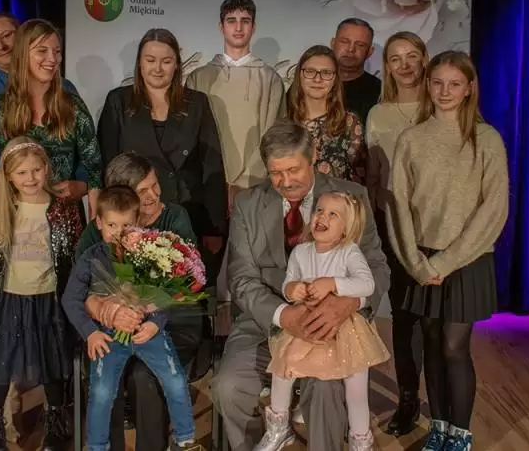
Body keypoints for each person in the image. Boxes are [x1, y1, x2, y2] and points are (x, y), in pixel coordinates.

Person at [211, 120, 391, 451]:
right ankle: (267, 437)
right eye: (275, 173)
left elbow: (377, 267)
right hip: (264, 322)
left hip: (331, 325)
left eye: (293, 170)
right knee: (227, 388)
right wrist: (283, 315)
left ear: (313, 156)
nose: (285, 181)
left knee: (324, 388)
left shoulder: (351, 197)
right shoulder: (249, 204)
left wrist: (348, 303)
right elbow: (242, 278)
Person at [0, 11, 87, 427]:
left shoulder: (64, 90)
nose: (1, 46)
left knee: (53, 300)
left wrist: (76, 188)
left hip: (50, 216)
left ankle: (62, 390)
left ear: (21, 38)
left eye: (7, 36)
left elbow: (82, 156)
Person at [388, 51, 509, 451]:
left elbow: (494, 208)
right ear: (427, 84)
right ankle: (439, 428)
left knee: (454, 346)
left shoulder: (486, 139)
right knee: (431, 342)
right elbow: (398, 205)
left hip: (467, 258)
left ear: (469, 88)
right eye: (438, 82)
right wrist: (416, 263)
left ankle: (460, 434)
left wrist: (446, 261)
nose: (445, 91)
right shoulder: (411, 139)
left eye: (454, 84)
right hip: (423, 260)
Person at [78, 152, 209, 451]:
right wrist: (105, 310)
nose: (154, 195)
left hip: (172, 321)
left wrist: (150, 314)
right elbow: (81, 288)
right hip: (111, 326)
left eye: (155, 184)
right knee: (104, 373)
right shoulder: (99, 228)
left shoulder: (174, 217)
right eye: (143, 190)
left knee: (144, 376)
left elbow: (187, 281)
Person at [255, 191, 390, 451]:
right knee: (284, 370)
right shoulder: (300, 252)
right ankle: (278, 427)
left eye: (333, 214)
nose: (322, 217)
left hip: (344, 328)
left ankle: (361, 440)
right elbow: (288, 282)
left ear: (345, 228)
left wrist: (333, 284)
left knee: (355, 388)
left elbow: (367, 284)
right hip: (306, 323)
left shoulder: (348, 252)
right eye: (319, 210)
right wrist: (292, 289)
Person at [0, 18, 103, 275]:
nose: (52, 58)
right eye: (42, 51)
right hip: (12, 226)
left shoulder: (72, 107)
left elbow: (95, 171)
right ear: (22, 55)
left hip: (65, 228)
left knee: (64, 296)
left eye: (57, 51)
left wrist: (95, 237)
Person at [0, 137, 82, 451]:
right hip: (10, 298)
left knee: (51, 360)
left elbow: (73, 258)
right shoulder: (3, 210)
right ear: (8, 176)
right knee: (2, 361)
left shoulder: (63, 209)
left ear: (46, 169)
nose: (30, 178)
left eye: (36, 170)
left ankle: (56, 423)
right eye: (21, 173)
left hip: (48, 298)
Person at [97, 28, 227, 278]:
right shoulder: (118, 101)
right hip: (134, 220)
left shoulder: (197, 103)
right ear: (139, 63)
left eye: (166, 61)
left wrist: (214, 227)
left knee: (184, 287)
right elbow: (106, 165)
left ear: (177, 65)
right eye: (150, 60)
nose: (158, 68)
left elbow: (212, 166)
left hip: (188, 215)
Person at [365, 30, 428, 435]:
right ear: (386, 66)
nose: (404, 65)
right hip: (393, 229)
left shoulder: (444, 106)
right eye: (395, 58)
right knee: (403, 318)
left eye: (411, 56)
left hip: (437, 233)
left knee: (436, 324)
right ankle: (408, 399)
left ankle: (445, 409)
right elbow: (373, 178)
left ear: (424, 59)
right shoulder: (379, 113)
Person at [185, 0, 285, 214]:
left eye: (245, 21)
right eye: (231, 21)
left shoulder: (270, 79)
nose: (238, 28)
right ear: (221, 27)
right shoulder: (198, 78)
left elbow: (273, 136)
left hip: (255, 185)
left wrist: (244, 182)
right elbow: (191, 137)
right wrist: (217, 180)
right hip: (208, 183)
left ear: (253, 27)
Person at [287, 45, 367, 184]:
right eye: (310, 71)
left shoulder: (349, 123)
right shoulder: (285, 123)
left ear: (335, 79)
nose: (318, 79)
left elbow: (359, 178)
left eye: (326, 73)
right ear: (299, 75)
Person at [329, 18, 382, 126]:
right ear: (333, 43)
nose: (351, 49)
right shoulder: (312, 83)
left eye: (360, 45)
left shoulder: (381, 92)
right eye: (345, 41)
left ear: (370, 52)